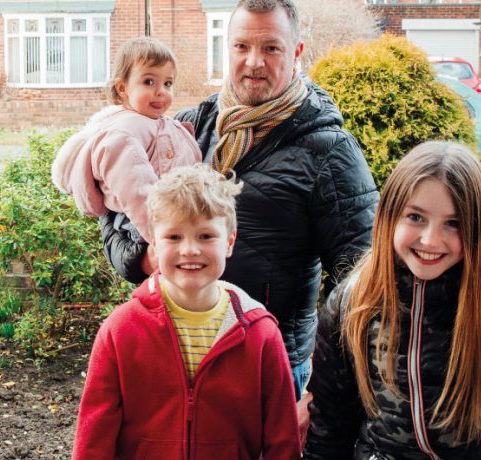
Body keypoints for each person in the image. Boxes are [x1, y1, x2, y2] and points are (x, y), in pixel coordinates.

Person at [99, 0, 379, 404]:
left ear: (296, 53)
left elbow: (362, 283)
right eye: (242, 47)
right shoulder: (187, 129)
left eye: (271, 48)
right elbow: (113, 212)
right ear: (226, 48)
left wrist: (321, 391)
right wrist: (142, 257)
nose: (253, 62)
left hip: (270, 365)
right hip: (178, 353)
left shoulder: (330, 151)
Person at [304, 142, 481, 459]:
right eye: (415, 217)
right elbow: (329, 427)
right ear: (388, 216)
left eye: (453, 223)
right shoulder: (354, 299)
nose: (431, 240)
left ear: (475, 228)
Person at [74, 165, 301, 459]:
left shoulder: (260, 333)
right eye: (174, 237)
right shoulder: (121, 330)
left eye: (206, 236)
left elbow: (282, 439)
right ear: (153, 243)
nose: (190, 250)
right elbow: (94, 437)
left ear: (229, 242)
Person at [52, 36, 201, 250]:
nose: (161, 91)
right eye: (149, 81)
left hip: (169, 219)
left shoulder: (157, 123)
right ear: (123, 88)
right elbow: (137, 192)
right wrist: (165, 241)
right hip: (144, 223)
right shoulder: (123, 133)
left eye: (168, 83)